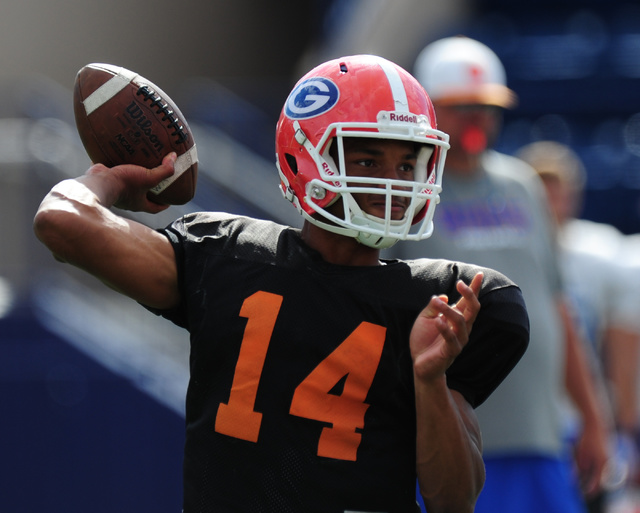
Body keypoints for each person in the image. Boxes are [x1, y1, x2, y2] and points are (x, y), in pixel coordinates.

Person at [33, 55, 529, 513]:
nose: (393, 183)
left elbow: (454, 502)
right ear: (306, 157)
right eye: (367, 161)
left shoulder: (443, 302)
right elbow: (60, 223)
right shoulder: (227, 256)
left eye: (407, 164)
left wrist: (430, 380)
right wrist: (115, 178)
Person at [384, 36, 610, 513]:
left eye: (486, 106)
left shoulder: (522, 185)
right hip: (451, 449)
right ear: (429, 108)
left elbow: (557, 305)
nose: (477, 118)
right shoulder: (403, 192)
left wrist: (592, 418)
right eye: (461, 105)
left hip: (540, 440)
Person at [518, 140, 640, 510]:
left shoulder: (602, 252)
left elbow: (623, 341)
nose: (552, 206)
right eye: (543, 194)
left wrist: (622, 425)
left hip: (581, 414)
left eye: (559, 194)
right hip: (530, 414)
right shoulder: (504, 249)